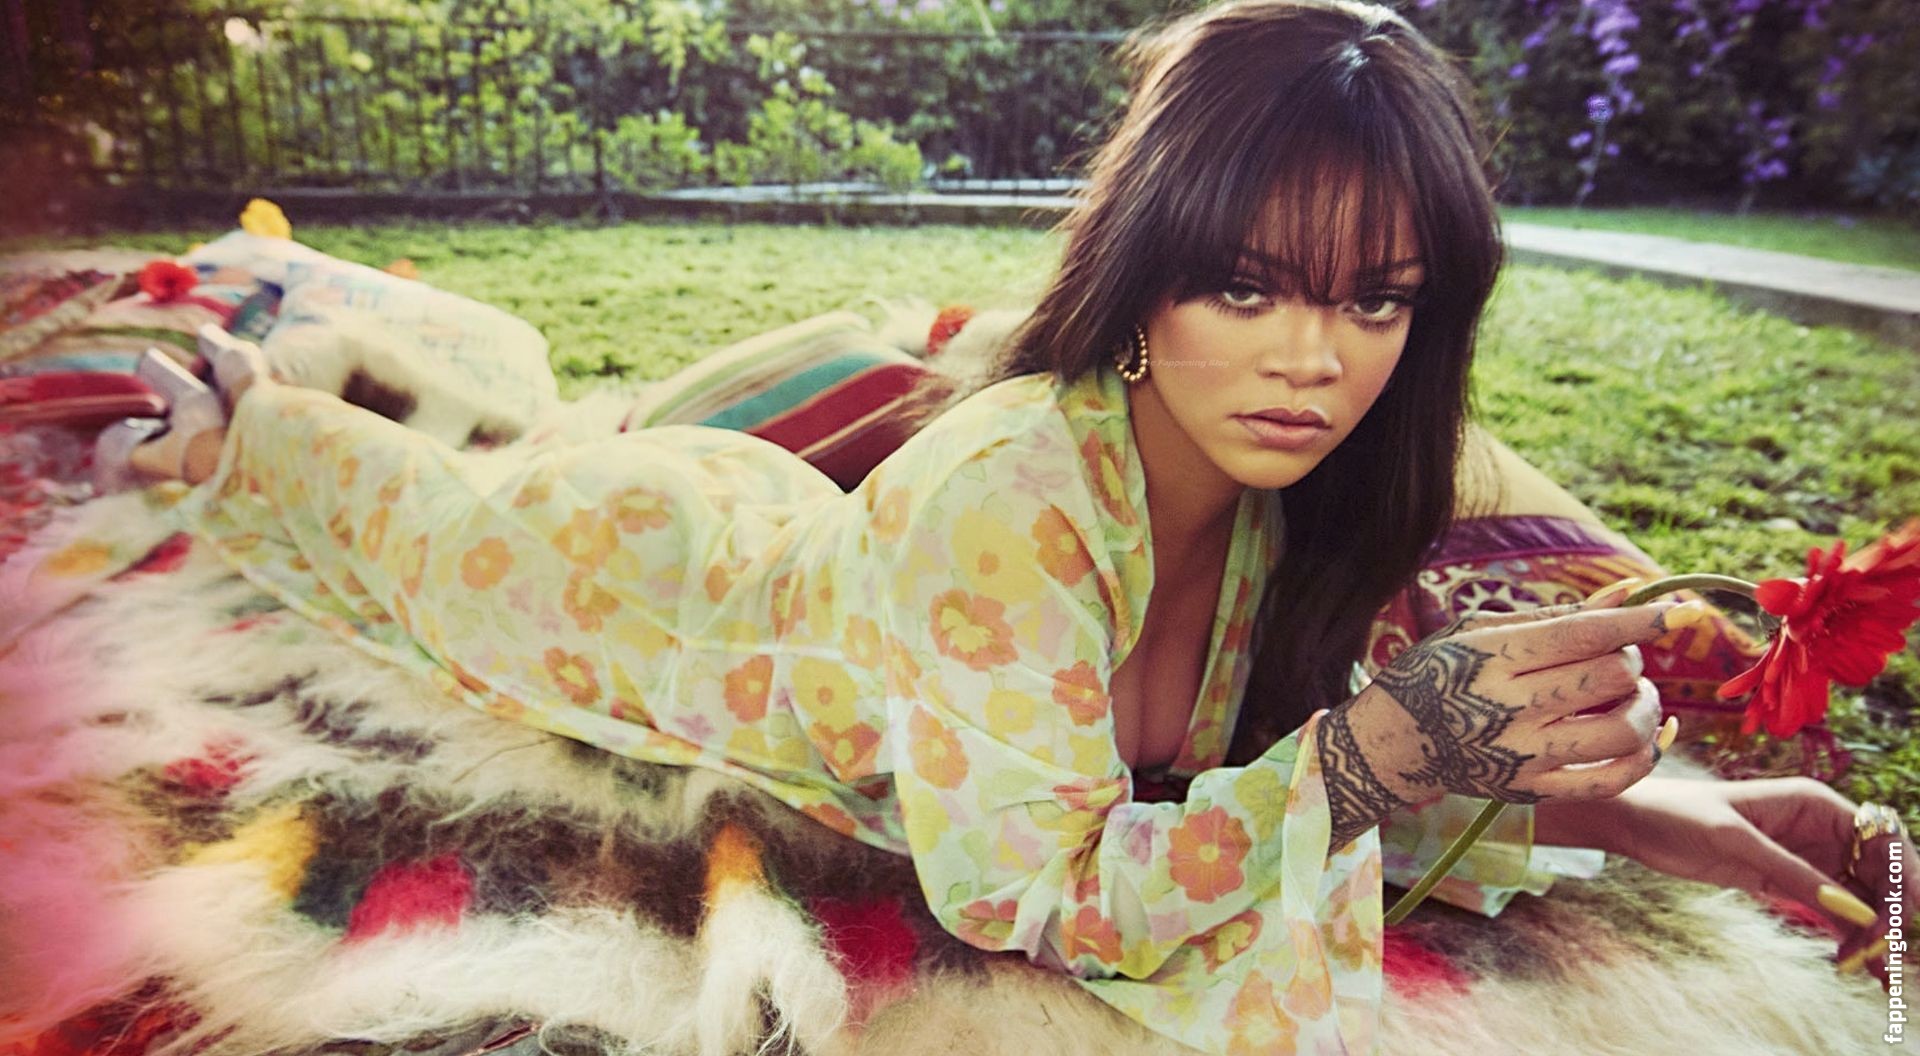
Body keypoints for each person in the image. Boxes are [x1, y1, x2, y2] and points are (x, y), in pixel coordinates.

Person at [121, 0, 1907, 1051]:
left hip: (818, 552)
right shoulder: (1012, 497)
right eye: (1248, 285)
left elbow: (1297, 774)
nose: (1314, 361)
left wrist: (1693, 822)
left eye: (1375, 300)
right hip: (648, 583)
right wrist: (1376, 754)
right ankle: (238, 404)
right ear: (1149, 269)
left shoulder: (1302, 495)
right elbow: (1041, 896)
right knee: (427, 529)